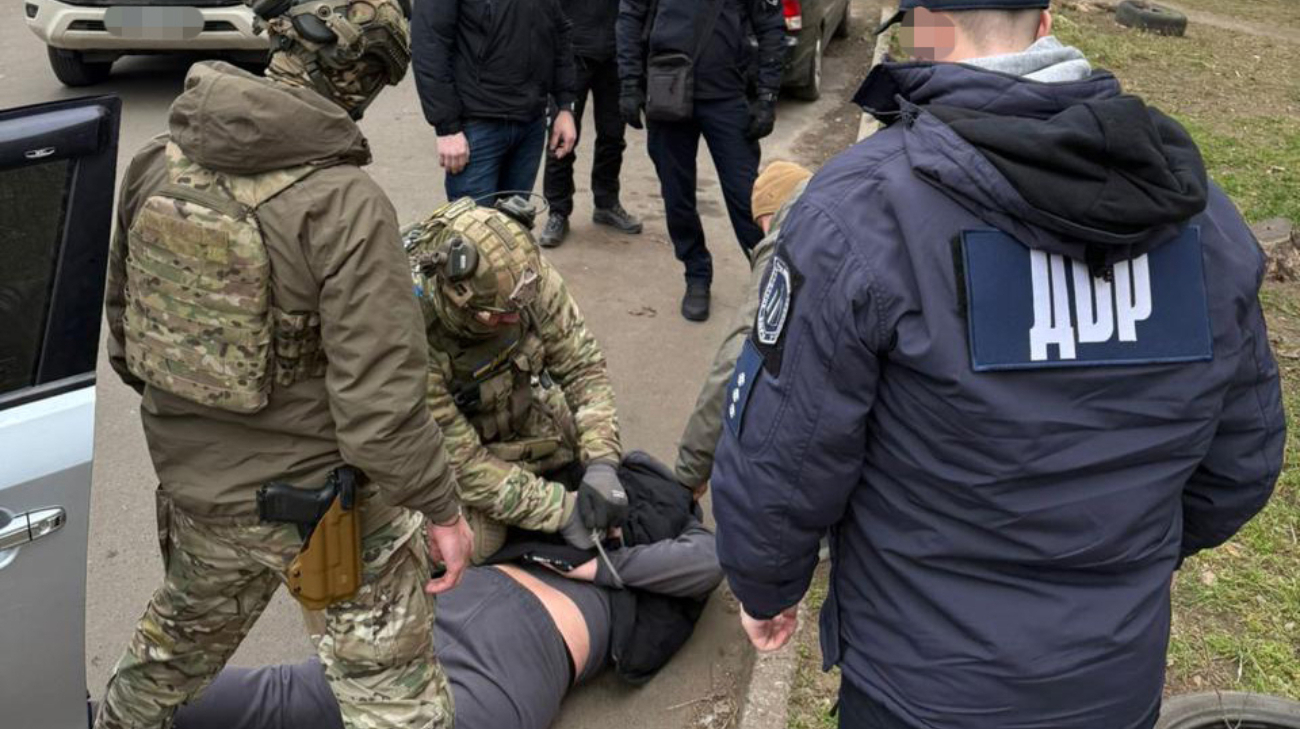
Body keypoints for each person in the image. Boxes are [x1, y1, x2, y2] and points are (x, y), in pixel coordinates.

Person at [711, 2, 1286, 728]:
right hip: (1112, 685)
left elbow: (782, 456)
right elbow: (1243, 462)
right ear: (1044, 26)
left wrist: (766, 587)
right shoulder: (1203, 220)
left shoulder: (861, 213)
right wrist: (1120, 561)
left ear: (925, 29)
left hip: (920, 690)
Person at [96, 1, 475, 726]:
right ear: (363, 78)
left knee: (161, 666)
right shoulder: (345, 203)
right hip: (324, 511)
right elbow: (381, 415)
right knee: (397, 704)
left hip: (198, 492)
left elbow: (127, 338)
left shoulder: (155, 163)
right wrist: (443, 510)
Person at [170, 456, 725, 729]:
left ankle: (133, 707)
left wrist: (600, 568)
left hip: (506, 639)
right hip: (483, 626)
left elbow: (707, 562)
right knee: (294, 694)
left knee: (290, 694)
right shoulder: (569, 490)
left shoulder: (666, 524)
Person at [403, 198, 626, 563]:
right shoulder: (406, 333)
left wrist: (602, 461)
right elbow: (461, 462)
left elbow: (582, 368)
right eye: (498, 315)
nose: (514, 320)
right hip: (445, 451)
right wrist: (561, 511)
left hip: (514, 408)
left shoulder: (525, 278)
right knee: (475, 544)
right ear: (457, 296)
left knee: (594, 448)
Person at [616, 0, 785, 321]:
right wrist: (628, 82)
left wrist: (767, 96)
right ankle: (696, 273)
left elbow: (771, 25)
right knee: (677, 196)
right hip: (667, 91)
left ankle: (769, 276)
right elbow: (629, 18)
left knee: (748, 196)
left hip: (727, 95)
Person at [675, 160, 811, 498]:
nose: (763, 233)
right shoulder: (841, 202)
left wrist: (690, 472)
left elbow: (738, 357)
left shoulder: (789, 243)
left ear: (775, 209)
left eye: (763, 223)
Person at [413, 0, 580, 204]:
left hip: (530, 124)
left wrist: (565, 105)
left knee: (514, 222)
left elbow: (559, 31)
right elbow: (429, 44)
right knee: (473, 223)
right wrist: (446, 128)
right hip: (478, 125)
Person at [535, 0, 644, 248]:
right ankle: (558, 211)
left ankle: (606, 203)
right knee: (561, 139)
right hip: (572, 52)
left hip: (615, 52)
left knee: (613, 136)